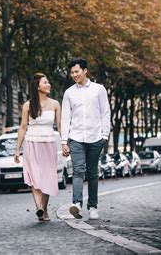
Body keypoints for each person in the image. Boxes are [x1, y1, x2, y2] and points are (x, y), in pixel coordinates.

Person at [61, 58, 110, 220]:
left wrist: (104, 135)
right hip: (76, 138)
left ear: (85, 71)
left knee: (92, 173)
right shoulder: (69, 93)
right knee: (78, 170)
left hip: (95, 138)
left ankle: (93, 206)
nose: (74, 75)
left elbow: (105, 112)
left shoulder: (98, 89)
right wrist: (64, 141)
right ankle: (76, 203)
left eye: (77, 71)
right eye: (72, 72)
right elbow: (65, 117)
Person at [15, 72, 61, 221]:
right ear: (37, 86)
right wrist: (17, 149)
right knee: (35, 177)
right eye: (45, 82)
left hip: (49, 144)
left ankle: (44, 209)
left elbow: (60, 126)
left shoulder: (55, 104)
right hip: (32, 144)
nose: (49, 85)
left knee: (47, 177)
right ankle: (39, 207)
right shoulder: (28, 105)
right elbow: (22, 127)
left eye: (48, 82)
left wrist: (66, 144)